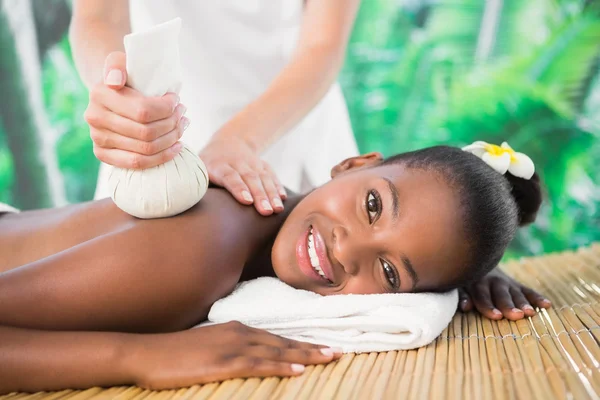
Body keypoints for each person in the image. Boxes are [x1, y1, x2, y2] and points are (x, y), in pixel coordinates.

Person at [0, 145, 551, 393]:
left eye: (388, 273)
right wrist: (137, 356)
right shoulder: (199, 253)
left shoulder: (256, 230)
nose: (346, 249)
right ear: (353, 163)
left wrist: (466, 281)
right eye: (373, 206)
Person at [69, 0, 361, 215]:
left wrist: (237, 141)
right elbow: (99, 16)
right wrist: (114, 91)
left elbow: (321, 45)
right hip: (154, 136)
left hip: (290, 120)